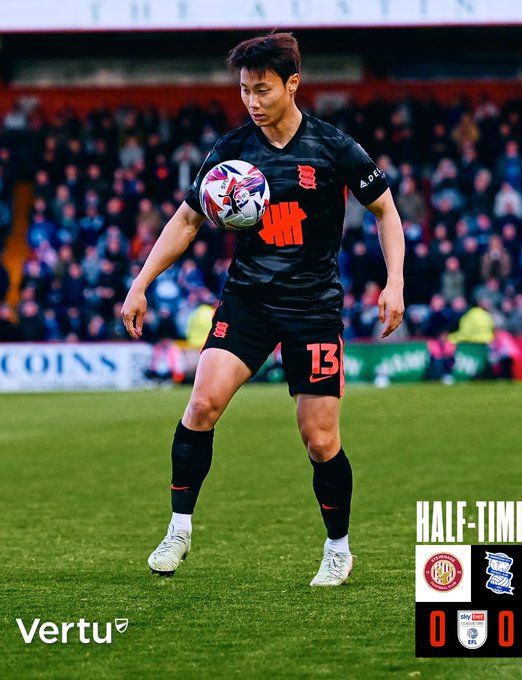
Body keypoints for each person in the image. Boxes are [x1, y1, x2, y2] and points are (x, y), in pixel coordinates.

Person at [121, 33, 405, 587]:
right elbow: (186, 220)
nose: (251, 100)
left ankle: (338, 548)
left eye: (262, 89)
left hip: (312, 307)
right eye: (244, 90)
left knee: (319, 439)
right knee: (201, 404)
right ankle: (179, 529)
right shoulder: (231, 151)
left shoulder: (333, 148)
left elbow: (386, 212)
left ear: (292, 84)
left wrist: (394, 282)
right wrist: (141, 282)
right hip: (248, 299)